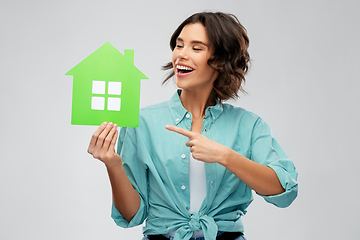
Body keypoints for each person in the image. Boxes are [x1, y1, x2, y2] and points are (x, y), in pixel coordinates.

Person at [87, 12, 298, 240]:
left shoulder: (249, 125)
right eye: (179, 45)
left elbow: (285, 192)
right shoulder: (143, 122)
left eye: (196, 48)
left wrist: (225, 156)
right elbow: (131, 216)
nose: (181, 55)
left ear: (220, 60)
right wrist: (113, 164)